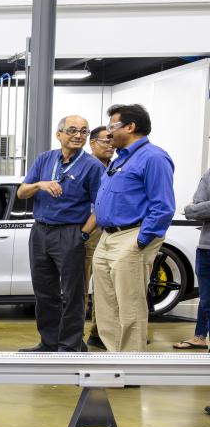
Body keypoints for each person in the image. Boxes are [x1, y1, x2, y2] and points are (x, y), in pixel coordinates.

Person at [92, 104, 175, 352]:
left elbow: (163, 206)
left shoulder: (154, 158)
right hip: (106, 237)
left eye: (112, 126)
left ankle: (131, 365)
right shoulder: (120, 159)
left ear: (131, 127)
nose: (107, 133)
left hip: (131, 236)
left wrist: (141, 240)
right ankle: (114, 358)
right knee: (106, 305)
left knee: (130, 305)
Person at [16, 116, 103, 352]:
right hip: (41, 232)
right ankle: (49, 342)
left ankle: (70, 345)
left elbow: (101, 206)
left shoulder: (92, 166)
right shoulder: (45, 159)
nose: (78, 135)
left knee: (73, 294)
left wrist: (82, 235)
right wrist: (40, 185)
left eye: (84, 131)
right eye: (73, 130)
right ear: (59, 134)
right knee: (44, 292)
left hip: (70, 232)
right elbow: (22, 192)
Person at [173, 165, 210, 350]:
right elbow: (192, 211)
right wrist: (195, 208)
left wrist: (199, 208)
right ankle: (200, 336)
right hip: (206, 247)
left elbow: (197, 208)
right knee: (206, 297)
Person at [85, 126, 115, 350]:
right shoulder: (86, 166)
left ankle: (100, 331)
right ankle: (75, 335)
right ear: (92, 143)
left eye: (112, 140)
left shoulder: (115, 167)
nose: (111, 145)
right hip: (89, 229)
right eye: (106, 141)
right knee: (82, 285)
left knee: (107, 286)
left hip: (111, 230)